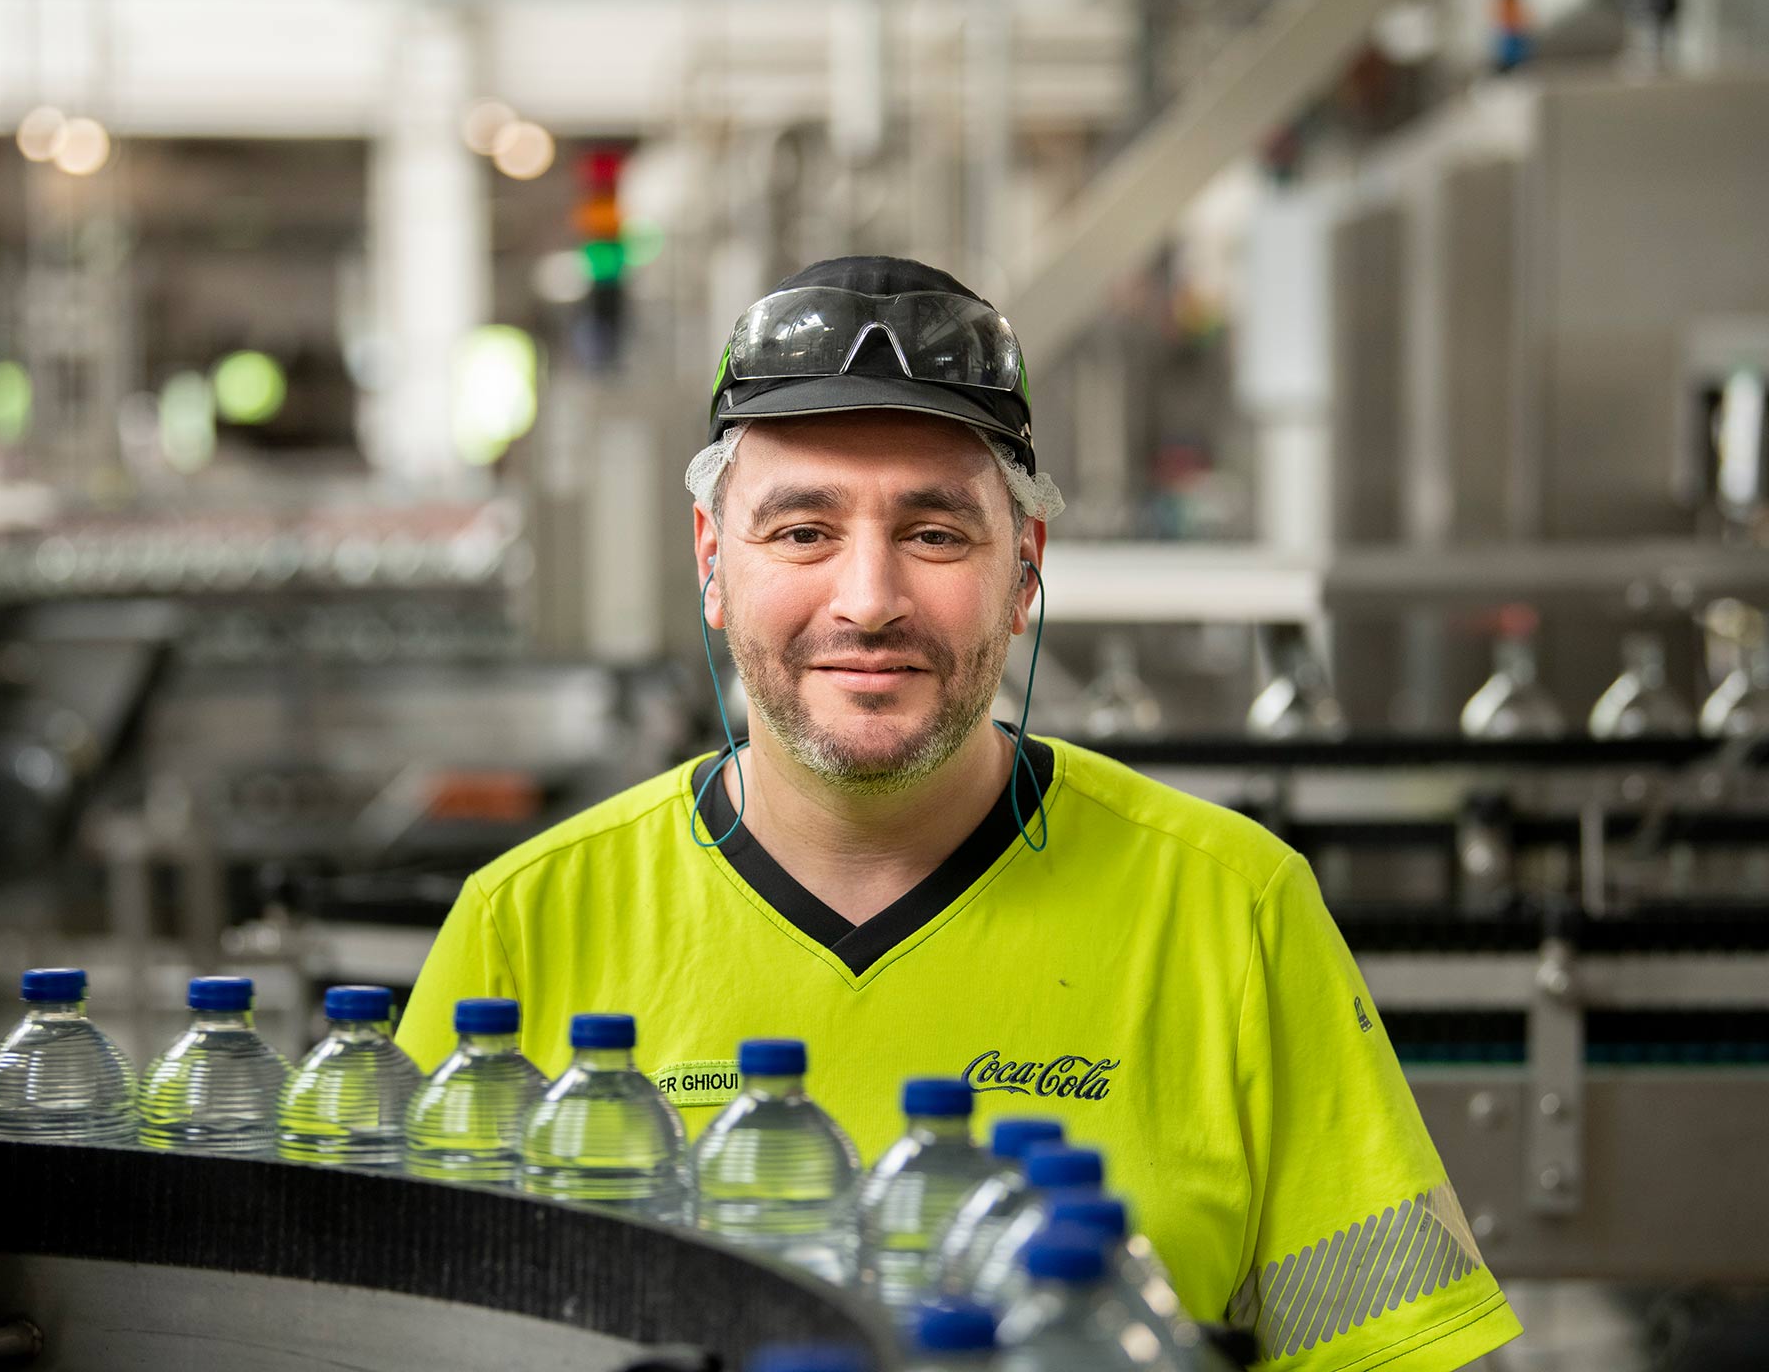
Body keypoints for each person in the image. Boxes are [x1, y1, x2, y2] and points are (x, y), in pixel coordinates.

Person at [399, 256, 1520, 1369]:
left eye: (935, 534)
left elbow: (1405, 1354)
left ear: (1024, 568)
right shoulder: (524, 927)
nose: (870, 599)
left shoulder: (1236, 914)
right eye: (802, 532)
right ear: (711, 562)